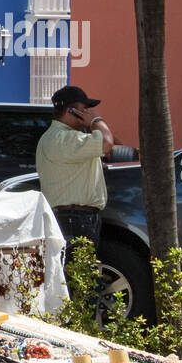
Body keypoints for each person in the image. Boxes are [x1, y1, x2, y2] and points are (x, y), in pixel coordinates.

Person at [37, 85, 115, 255]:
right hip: (75, 219)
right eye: (85, 109)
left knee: (81, 275)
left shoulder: (59, 138)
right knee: (79, 276)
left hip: (75, 218)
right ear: (72, 111)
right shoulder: (64, 138)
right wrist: (96, 120)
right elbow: (107, 143)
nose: (89, 112)